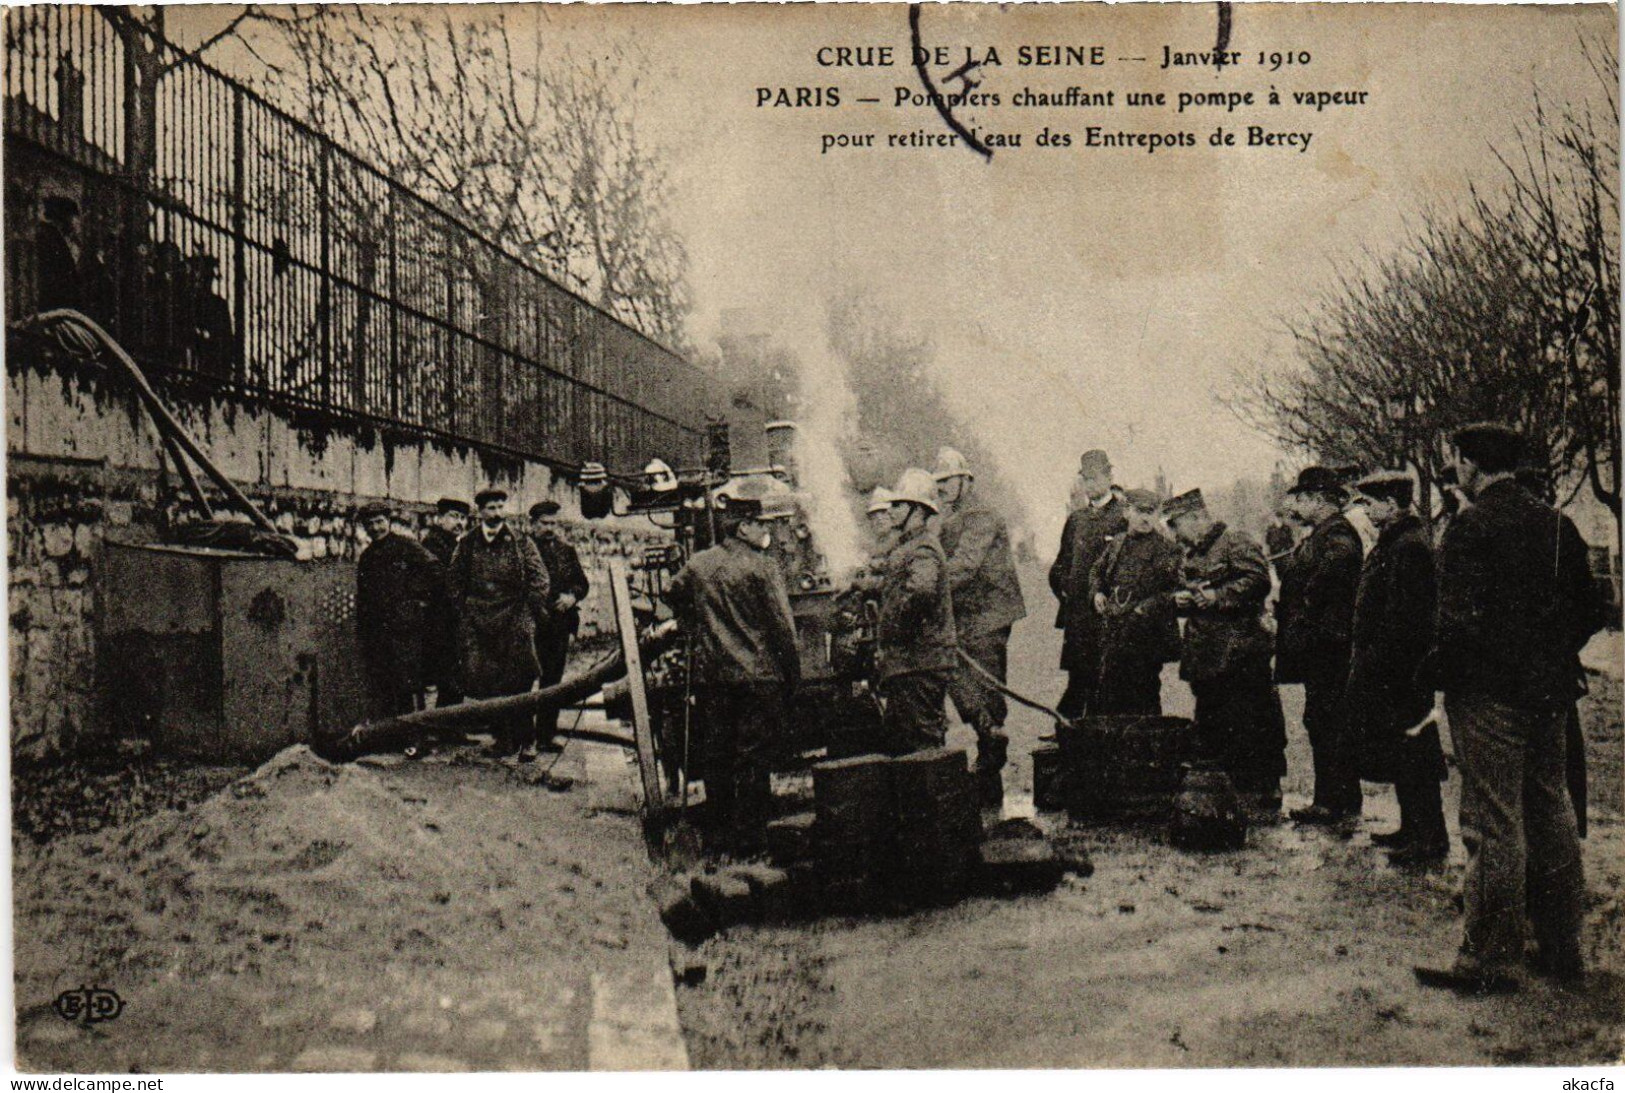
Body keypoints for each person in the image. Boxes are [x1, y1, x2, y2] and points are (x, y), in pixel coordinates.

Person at [1415, 423, 1606, 994]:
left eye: (1456, 460)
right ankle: (1561, 948)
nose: (1456, 470)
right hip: (1549, 694)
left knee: (1492, 822)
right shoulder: (1556, 523)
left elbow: (1456, 624)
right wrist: (1548, 654)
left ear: (1472, 463)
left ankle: (1488, 960)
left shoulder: (1471, 527)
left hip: (1489, 696)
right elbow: (1594, 608)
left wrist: (1438, 674)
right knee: (1551, 812)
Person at [666, 481, 800, 856]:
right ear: (743, 527)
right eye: (761, 524)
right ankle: (751, 842)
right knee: (753, 759)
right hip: (759, 678)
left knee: (718, 755)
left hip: (714, 679)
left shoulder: (698, 564)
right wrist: (793, 677)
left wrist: (695, 622)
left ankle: (718, 838)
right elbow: (783, 628)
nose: (767, 532)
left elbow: (672, 593)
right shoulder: (763, 567)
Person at [1161, 489, 1287, 818]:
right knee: (1214, 725)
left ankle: (1263, 787)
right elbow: (1186, 591)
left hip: (1241, 652)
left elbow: (1258, 580)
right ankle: (1225, 792)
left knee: (1256, 720)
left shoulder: (1235, 541)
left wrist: (1218, 595)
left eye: (1177, 525)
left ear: (1196, 518)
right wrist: (1181, 601)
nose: (1175, 533)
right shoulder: (1189, 555)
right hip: (1206, 655)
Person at [1345, 471, 1448, 864]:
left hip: (1402, 673)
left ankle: (1430, 838)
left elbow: (1407, 619)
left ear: (1391, 502)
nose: (1367, 510)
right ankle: (1412, 828)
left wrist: (1377, 663)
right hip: (1394, 671)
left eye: (1371, 503)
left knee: (1415, 753)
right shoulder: (1397, 541)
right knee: (1403, 752)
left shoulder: (1409, 546)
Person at [934, 447, 1028, 807]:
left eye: (948, 481)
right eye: (938, 482)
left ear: (965, 480)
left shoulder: (981, 515)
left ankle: (991, 780)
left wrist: (932, 589)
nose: (942, 488)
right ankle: (988, 753)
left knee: (987, 690)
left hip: (989, 616)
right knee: (960, 681)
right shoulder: (953, 516)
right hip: (966, 616)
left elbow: (965, 566)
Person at [1275, 466, 1366, 826]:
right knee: (1323, 718)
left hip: (1329, 647)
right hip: (1325, 645)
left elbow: (1340, 564)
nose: (1296, 504)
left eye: (1301, 498)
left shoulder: (1337, 531)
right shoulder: (1324, 532)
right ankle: (1339, 797)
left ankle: (1332, 801)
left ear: (1316, 499)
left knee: (1326, 720)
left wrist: (1307, 606)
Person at [1515, 466, 1601, 840]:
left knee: (1551, 771)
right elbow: (1590, 610)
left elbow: (1590, 609)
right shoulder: (1560, 532)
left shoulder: (1549, 536)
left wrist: (1559, 646)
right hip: (1554, 670)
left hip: (1542, 672)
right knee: (1554, 771)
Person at [446, 487, 550, 758]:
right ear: (480, 512)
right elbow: (454, 582)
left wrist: (527, 613)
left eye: (500, 507)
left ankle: (527, 741)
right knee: (489, 683)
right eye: (491, 508)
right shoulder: (467, 543)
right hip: (480, 623)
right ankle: (503, 740)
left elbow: (540, 580)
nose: (497, 513)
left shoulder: (520, 541)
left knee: (521, 681)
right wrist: (465, 614)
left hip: (514, 620)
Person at [876, 468, 958, 756]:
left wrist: (897, 629)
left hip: (919, 663)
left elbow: (921, 591)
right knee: (901, 744)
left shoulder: (922, 548)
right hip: (910, 664)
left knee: (923, 745)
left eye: (898, 505)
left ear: (918, 511)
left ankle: (932, 800)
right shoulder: (910, 546)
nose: (892, 510)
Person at [1088, 488, 1182, 715]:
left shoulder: (1167, 549)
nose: (1146, 518)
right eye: (1140, 511)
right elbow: (1096, 571)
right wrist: (1097, 592)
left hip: (1146, 635)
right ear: (1127, 512)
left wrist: (1144, 609)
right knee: (1110, 693)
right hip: (1115, 630)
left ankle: (1144, 747)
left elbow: (1174, 591)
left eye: (1151, 512)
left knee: (1144, 695)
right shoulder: (1117, 543)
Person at [355, 501, 444, 733]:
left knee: (409, 683)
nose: (375, 528)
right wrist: (364, 629)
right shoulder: (367, 557)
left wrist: (418, 600)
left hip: (405, 628)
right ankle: (392, 734)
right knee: (385, 683)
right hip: (379, 629)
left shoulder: (406, 546)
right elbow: (364, 597)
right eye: (370, 524)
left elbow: (434, 569)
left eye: (379, 522)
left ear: (389, 522)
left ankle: (416, 737)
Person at [1050, 449, 1127, 720]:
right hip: (1078, 617)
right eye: (1086, 479)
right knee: (1079, 677)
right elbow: (1060, 566)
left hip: (1108, 614)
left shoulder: (1123, 517)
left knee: (1107, 681)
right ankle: (1071, 731)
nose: (1090, 485)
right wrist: (1067, 592)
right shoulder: (1076, 520)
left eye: (1095, 478)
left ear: (1109, 476)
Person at [528, 500, 591, 756]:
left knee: (552, 681)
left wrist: (572, 597)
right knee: (521, 681)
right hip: (529, 625)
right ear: (531, 524)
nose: (549, 528)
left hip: (558, 625)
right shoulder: (523, 548)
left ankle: (545, 735)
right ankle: (519, 737)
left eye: (553, 523)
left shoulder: (566, 550)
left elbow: (582, 583)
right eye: (544, 523)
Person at [35, 195, 81, 313]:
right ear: (66, 217)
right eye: (75, 217)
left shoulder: (55, 237)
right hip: (56, 307)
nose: (77, 223)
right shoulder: (52, 238)